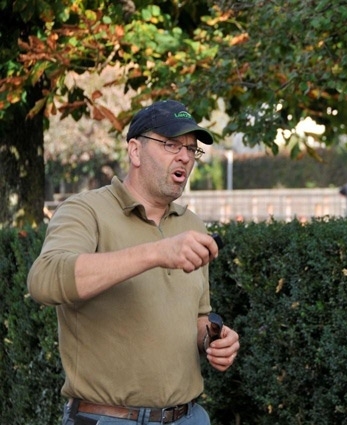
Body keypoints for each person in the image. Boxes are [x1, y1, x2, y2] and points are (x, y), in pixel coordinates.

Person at [27, 99, 240, 425]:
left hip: (189, 417)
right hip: (109, 419)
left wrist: (212, 339)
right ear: (135, 151)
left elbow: (198, 317)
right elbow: (44, 280)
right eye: (171, 144)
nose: (185, 157)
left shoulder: (192, 225)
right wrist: (157, 252)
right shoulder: (85, 210)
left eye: (191, 149)